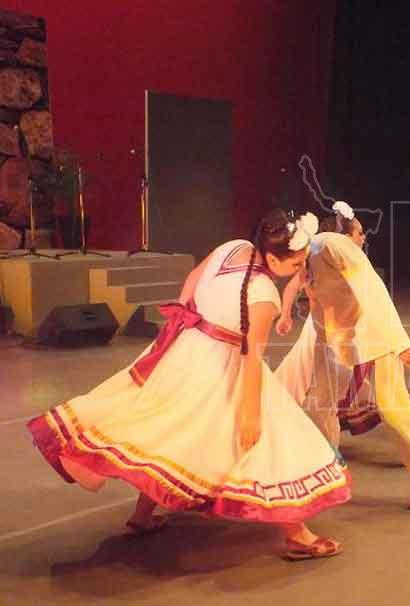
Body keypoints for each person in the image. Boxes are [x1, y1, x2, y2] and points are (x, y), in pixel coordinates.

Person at [26, 210, 349, 561]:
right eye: (297, 262)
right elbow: (251, 356)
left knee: (170, 431)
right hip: (221, 365)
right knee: (273, 438)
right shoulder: (265, 293)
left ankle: (141, 517)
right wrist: (251, 412)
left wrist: (181, 326)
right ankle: (297, 534)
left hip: (185, 349)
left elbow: (193, 280)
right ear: (273, 258)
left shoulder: (232, 247)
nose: (301, 269)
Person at [278, 202, 410, 511]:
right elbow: (320, 307)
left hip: (375, 334)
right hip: (337, 339)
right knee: (320, 403)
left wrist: (398, 341)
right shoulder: (304, 259)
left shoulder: (332, 245)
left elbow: (371, 288)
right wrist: (316, 341)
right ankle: (328, 471)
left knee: (395, 411)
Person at [275, 203, 379, 438]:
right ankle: (308, 431)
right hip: (321, 331)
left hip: (343, 332)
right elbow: (292, 287)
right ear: (343, 239)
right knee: (309, 380)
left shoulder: (354, 265)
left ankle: (326, 430)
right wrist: (285, 315)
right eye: (359, 232)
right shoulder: (316, 261)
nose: (363, 237)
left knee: (334, 385)